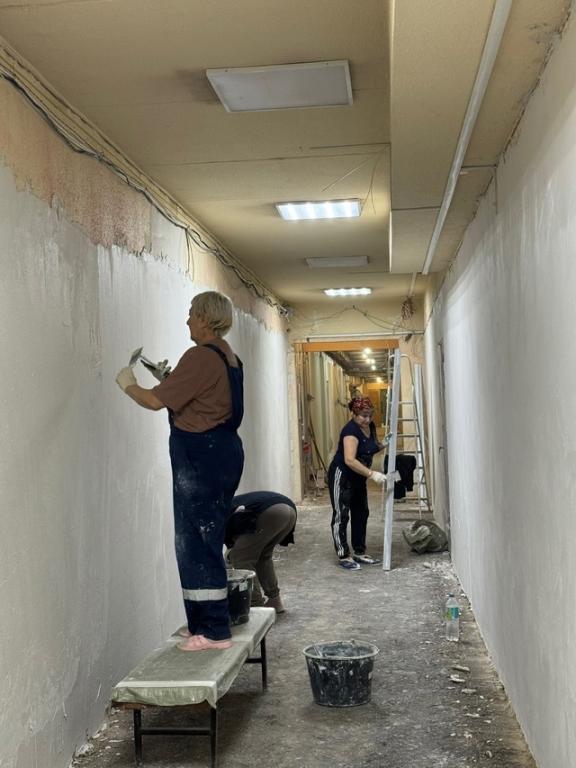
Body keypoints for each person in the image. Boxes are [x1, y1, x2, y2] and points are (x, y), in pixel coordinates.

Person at [115, 291, 244, 651]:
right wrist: (169, 377)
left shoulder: (200, 356)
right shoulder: (227, 356)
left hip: (202, 457)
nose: (187, 320)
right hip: (222, 452)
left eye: (191, 314)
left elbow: (154, 401)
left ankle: (214, 631)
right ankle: (202, 623)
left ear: (204, 317)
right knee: (203, 536)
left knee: (196, 540)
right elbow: (205, 398)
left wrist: (128, 383)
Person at [328, 396, 387, 570]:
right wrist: (372, 474)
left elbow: (370, 448)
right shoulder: (350, 431)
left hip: (358, 478)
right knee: (341, 515)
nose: (367, 419)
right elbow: (350, 460)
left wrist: (384, 444)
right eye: (363, 416)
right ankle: (343, 555)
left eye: (370, 415)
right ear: (354, 414)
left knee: (361, 512)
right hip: (343, 476)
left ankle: (360, 552)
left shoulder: (370, 427)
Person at [225, 491, 297, 614]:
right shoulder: (226, 508)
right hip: (288, 510)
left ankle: (255, 605)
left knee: (241, 558)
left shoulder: (217, 518)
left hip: (270, 511)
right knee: (263, 556)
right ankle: (275, 601)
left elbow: (231, 550)